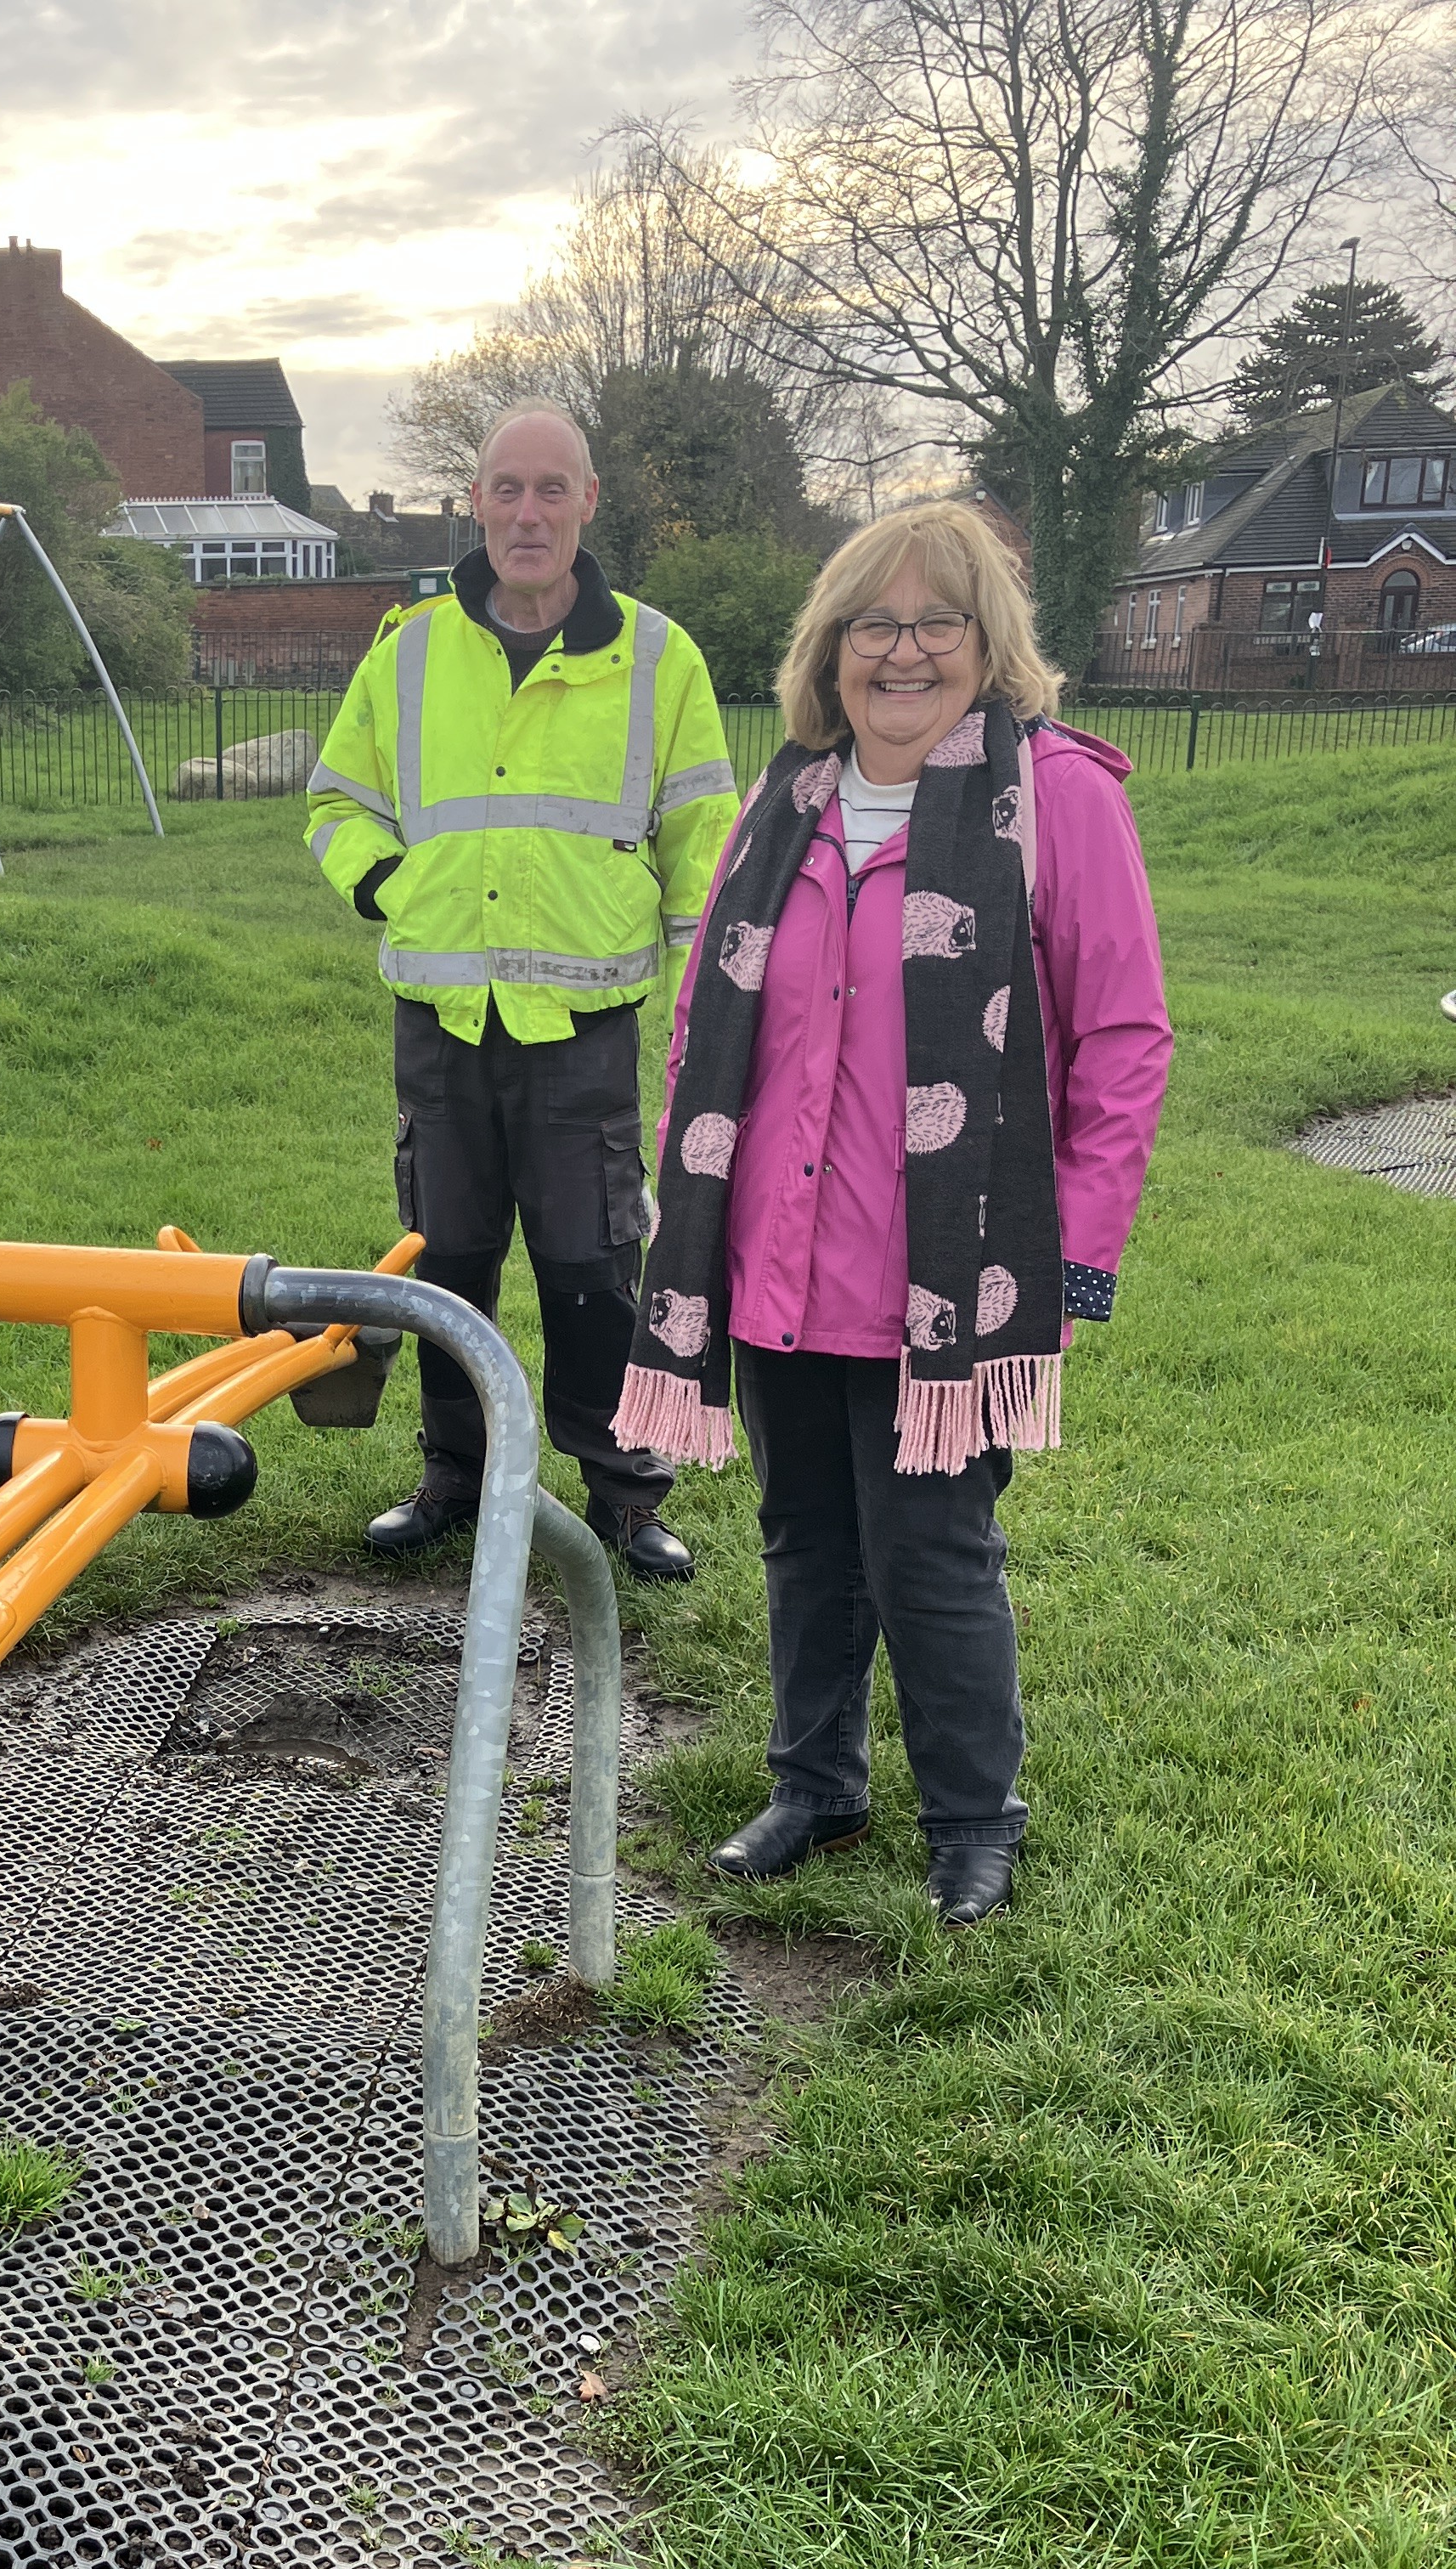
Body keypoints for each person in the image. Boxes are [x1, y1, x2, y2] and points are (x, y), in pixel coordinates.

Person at [615, 500, 1172, 1924]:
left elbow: (1124, 1040)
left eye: (938, 623)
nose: (904, 651)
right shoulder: (783, 803)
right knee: (805, 1538)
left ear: (990, 644)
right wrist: (696, 1222)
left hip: (952, 1272)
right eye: (875, 623)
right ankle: (816, 1784)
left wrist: (1075, 1257)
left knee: (931, 1553)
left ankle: (975, 1817)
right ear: (831, 646)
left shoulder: (1056, 799)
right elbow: (706, 1032)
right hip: (776, 1258)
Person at [306, 403, 739, 1582]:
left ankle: (625, 1493)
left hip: (583, 1025)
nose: (529, 513)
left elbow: (704, 835)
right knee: (448, 1260)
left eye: (553, 489)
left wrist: (712, 1003)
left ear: (589, 501)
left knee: (593, 1267)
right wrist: (388, 883)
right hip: (442, 1019)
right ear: (477, 503)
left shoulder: (660, 657)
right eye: (508, 489)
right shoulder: (408, 651)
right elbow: (337, 800)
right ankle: (456, 1474)